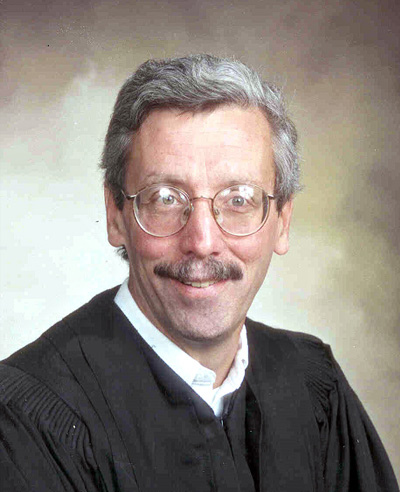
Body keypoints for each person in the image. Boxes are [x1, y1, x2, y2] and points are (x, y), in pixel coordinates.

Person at [0, 54, 398, 492]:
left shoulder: (311, 383)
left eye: (239, 199)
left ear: (282, 220)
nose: (203, 241)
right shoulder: (30, 421)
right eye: (166, 198)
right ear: (115, 215)